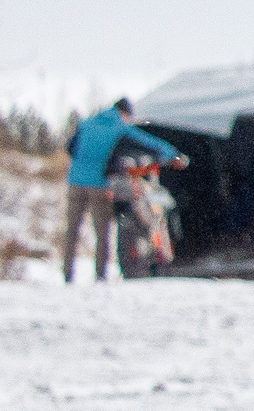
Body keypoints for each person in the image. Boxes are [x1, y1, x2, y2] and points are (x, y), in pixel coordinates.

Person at [63, 99, 186, 282]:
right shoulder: (119, 126)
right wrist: (173, 154)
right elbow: (147, 142)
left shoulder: (87, 123)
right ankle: (100, 276)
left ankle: (67, 276)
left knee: (72, 230)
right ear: (125, 113)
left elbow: (70, 148)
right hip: (99, 185)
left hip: (75, 182)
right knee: (102, 232)